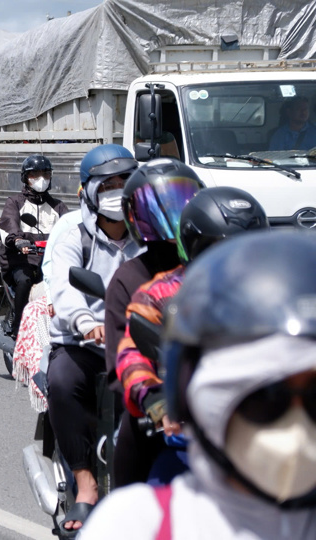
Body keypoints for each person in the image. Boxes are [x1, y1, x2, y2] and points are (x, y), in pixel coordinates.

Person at [81, 231, 316, 540]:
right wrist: (157, 400)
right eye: (267, 400)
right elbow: (131, 354)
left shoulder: (283, 294)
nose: (297, 428)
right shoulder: (136, 525)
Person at [111, 186, 268, 488]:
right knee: (149, 504)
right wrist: (155, 398)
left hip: (265, 427)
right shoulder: (161, 295)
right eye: (223, 249)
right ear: (195, 247)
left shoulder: (273, 293)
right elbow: (132, 353)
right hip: (188, 434)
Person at [45, 144, 144, 534]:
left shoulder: (151, 230)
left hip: (142, 341)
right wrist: (87, 321)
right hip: (84, 343)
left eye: (125, 182)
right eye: (108, 185)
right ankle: (86, 484)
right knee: (63, 382)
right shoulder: (72, 231)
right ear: (87, 190)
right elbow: (63, 285)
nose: (118, 191)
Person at [102, 158, 204, 487]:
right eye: (160, 205)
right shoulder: (130, 279)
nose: (173, 214)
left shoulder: (213, 273)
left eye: (182, 200)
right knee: (132, 445)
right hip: (156, 407)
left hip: (217, 403)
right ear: (135, 215)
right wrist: (156, 403)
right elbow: (124, 359)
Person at [0, 155, 69, 337]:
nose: (41, 179)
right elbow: (8, 226)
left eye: (45, 174)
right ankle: (18, 328)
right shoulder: (14, 203)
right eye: (35, 174)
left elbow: (71, 229)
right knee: (24, 281)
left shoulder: (58, 206)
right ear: (25, 178)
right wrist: (18, 241)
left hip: (50, 263)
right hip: (22, 261)